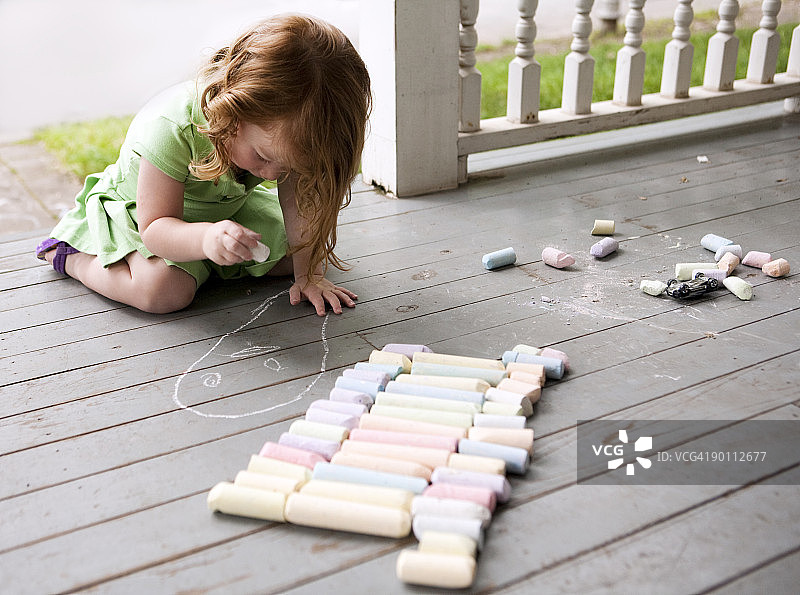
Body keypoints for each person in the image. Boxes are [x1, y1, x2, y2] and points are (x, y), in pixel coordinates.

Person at [36, 14, 371, 316]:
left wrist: (308, 275)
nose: (272, 176)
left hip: (221, 212)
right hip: (145, 214)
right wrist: (205, 239)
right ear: (233, 112)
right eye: (265, 159)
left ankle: (208, 262)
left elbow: (299, 203)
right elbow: (154, 229)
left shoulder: (280, 134)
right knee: (164, 291)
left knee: (296, 253)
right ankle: (73, 257)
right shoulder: (171, 127)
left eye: (286, 169)